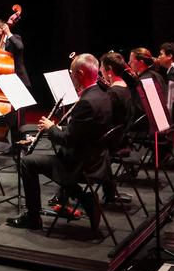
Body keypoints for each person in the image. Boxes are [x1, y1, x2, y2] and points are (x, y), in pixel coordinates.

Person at [7, 54, 112, 231]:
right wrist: (61, 128)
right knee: (45, 158)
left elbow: (68, 140)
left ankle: (33, 218)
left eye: (72, 72)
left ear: (79, 73)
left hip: (81, 162)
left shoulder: (86, 102)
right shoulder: (103, 96)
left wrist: (50, 128)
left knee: (27, 162)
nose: (71, 77)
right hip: (98, 158)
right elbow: (83, 131)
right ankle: (86, 200)